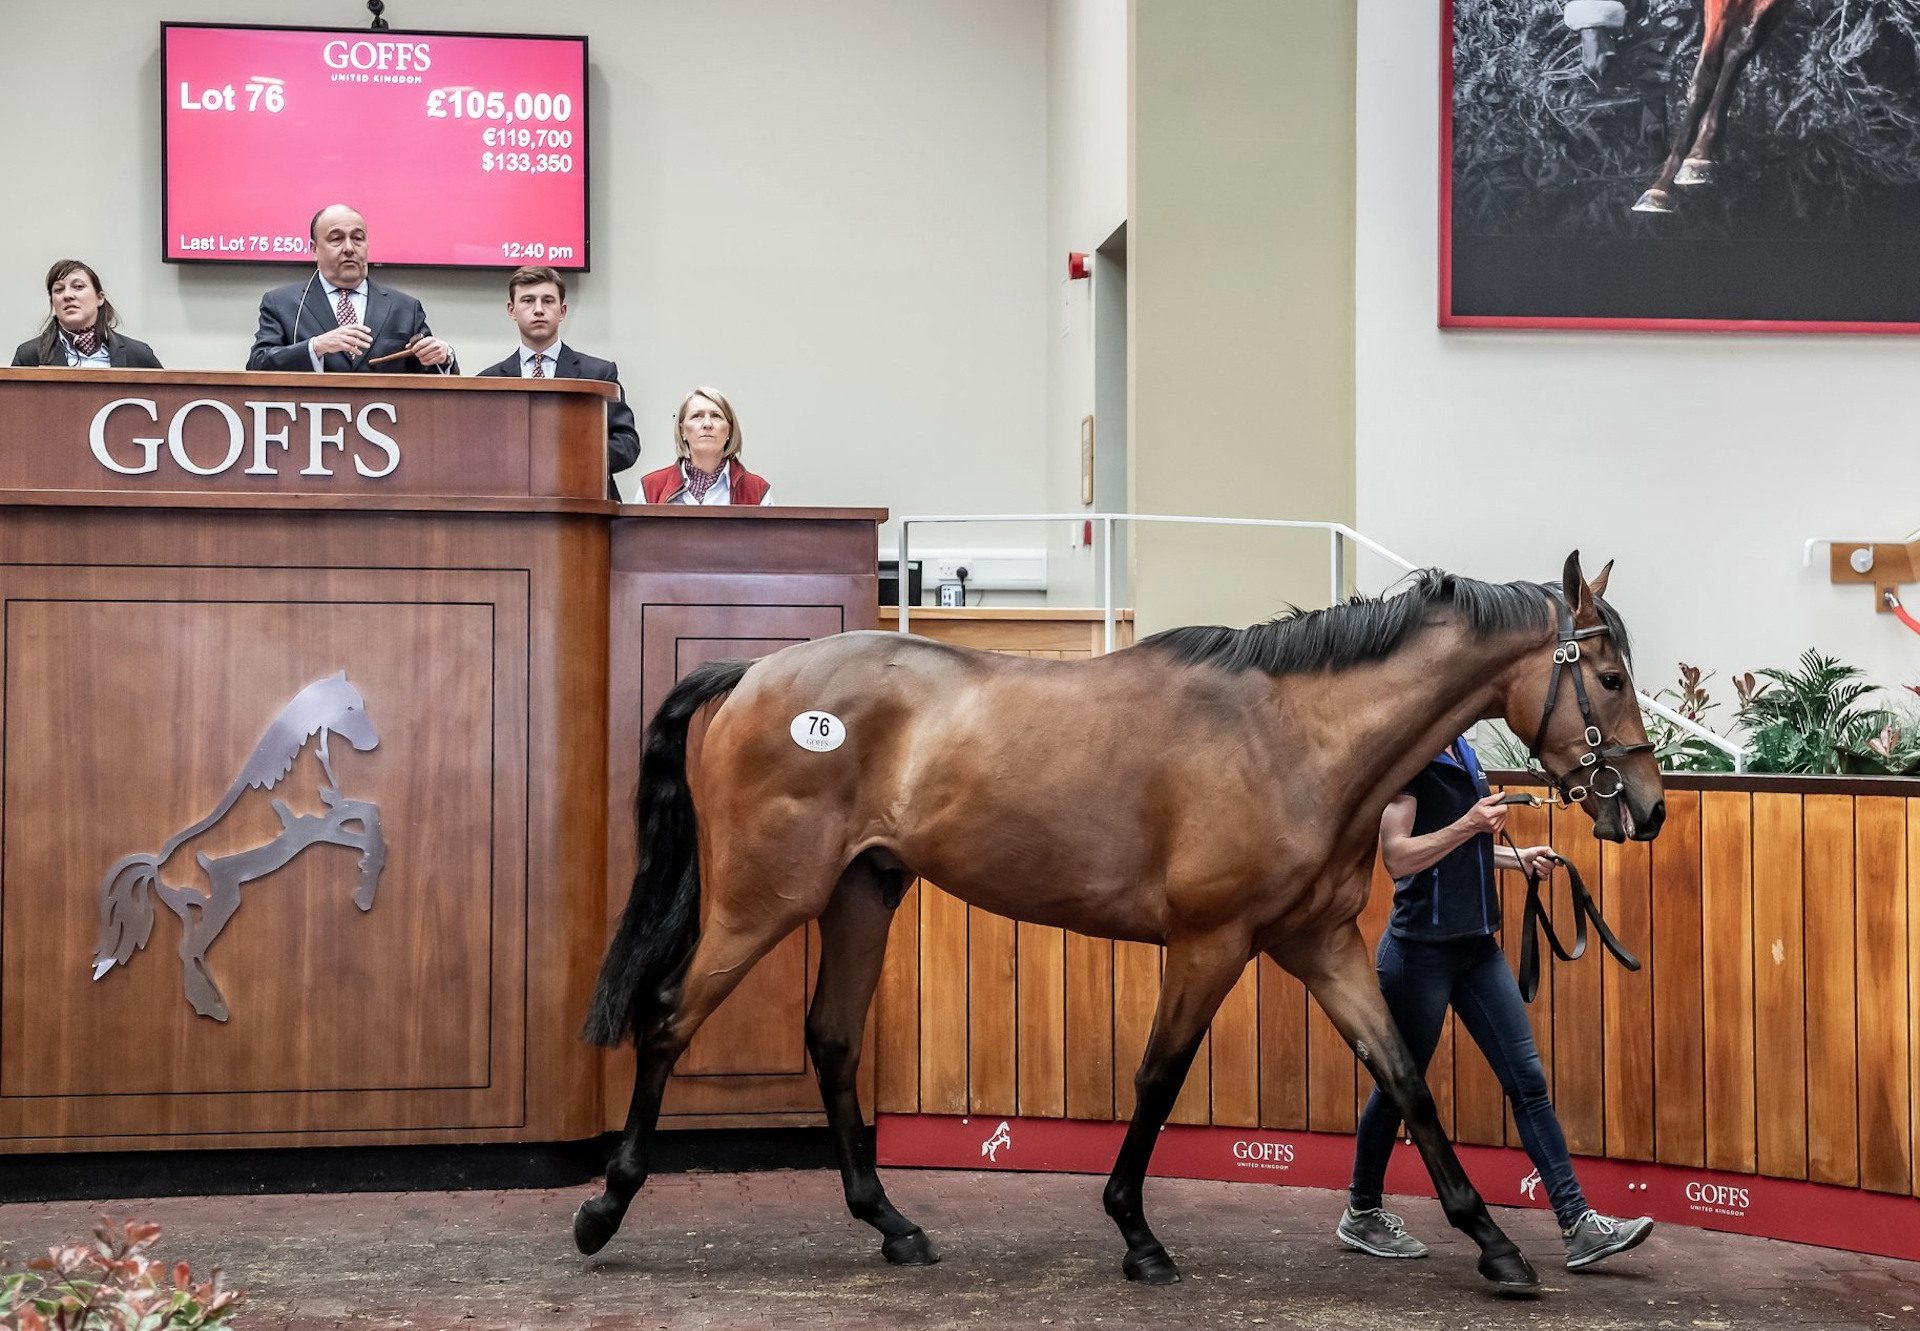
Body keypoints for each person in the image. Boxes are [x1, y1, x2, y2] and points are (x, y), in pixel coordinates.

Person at [1335, 733, 1654, 1271]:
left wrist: (1514, 858)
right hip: (1420, 955)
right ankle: (1362, 1210)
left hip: (1477, 948)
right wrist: (1469, 825)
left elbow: (1464, 850)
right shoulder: (1410, 757)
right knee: (1398, 1089)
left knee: (1528, 1083)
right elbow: (1397, 857)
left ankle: (1578, 1224)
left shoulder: (1463, 750)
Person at [475, 266, 639, 499]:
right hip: (512, 509)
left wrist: (568, 462)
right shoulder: (488, 381)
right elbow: (479, 452)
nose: (539, 309)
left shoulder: (599, 373)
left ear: (562, 311)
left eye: (548, 301)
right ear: (511, 310)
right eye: (528, 301)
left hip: (586, 504)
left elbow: (626, 444)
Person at [246, 204, 455, 374]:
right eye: (336, 239)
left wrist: (443, 357)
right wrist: (316, 347)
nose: (349, 248)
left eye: (357, 238)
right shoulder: (282, 303)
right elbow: (258, 364)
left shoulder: (405, 308)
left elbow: (430, 378)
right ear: (314, 249)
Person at [13, 260, 161, 368]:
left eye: (78, 287)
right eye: (58, 290)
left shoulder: (138, 354)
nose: (67, 295)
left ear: (100, 298)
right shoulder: (29, 355)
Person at [639, 388, 772, 505]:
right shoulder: (651, 487)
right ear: (682, 431)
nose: (707, 424)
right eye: (696, 416)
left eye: (716, 416)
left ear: (729, 431)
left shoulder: (757, 490)